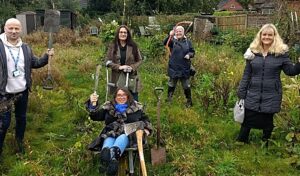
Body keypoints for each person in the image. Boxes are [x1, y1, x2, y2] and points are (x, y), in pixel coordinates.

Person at [237, 24, 300, 145]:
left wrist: (298, 65)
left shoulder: (281, 54)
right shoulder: (252, 53)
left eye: (270, 35)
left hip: (272, 93)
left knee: (267, 119)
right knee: (248, 116)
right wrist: (242, 90)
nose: (267, 37)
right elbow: (247, 74)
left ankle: (265, 143)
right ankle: (241, 141)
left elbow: (290, 71)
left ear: (274, 37)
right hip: (253, 91)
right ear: (260, 36)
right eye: (264, 34)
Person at [0, 18, 54, 157]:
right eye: (10, 28)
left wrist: (46, 57)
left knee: (21, 119)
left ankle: (19, 144)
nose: (13, 31)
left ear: (20, 30)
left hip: (22, 92)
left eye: (16, 28)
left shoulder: (25, 47)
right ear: (4, 28)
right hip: (3, 93)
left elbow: (35, 63)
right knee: (3, 124)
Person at [86, 88, 152, 175]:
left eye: (124, 95)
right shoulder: (109, 107)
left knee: (123, 136)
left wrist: (147, 129)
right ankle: (109, 156)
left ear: (128, 97)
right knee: (108, 138)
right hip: (111, 133)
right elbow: (95, 116)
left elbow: (146, 121)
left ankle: (110, 156)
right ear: (115, 97)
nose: (121, 97)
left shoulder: (136, 108)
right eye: (119, 95)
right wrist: (93, 104)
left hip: (129, 135)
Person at [105, 25, 143, 101]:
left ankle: (134, 111)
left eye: (125, 32)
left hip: (131, 76)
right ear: (118, 34)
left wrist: (131, 67)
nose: (123, 34)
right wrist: (119, 67)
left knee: (133, 99)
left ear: (128, 34)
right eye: (121, 32)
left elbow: (139, 60)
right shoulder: (113, 46)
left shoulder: (133, 46)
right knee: (119, 98)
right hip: (117, 77)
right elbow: (107, 62)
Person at [163, 25, 195, 107]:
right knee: (171, 84)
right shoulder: (172, 41)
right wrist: (170, 35)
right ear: (175, 32)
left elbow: (192, 52)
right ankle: (169, 100)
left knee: (186, 85)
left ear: (183, 32)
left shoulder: (188, 42)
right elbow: (165, 43)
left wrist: (189, 55)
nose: (178, 33)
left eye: (180, 31)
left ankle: (189, 101)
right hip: (174, 67)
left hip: (185, 67)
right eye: (177, 31)